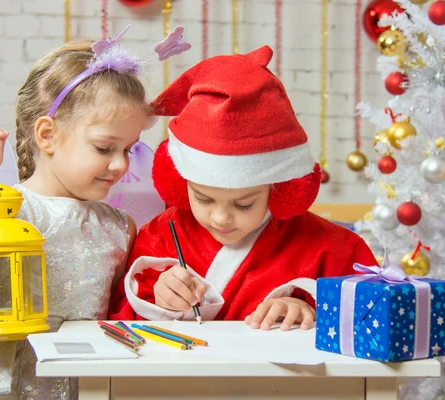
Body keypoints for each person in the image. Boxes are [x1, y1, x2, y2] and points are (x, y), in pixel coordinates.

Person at [0, 37, 152, 399]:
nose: (121, 164)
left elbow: (123, 315)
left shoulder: (118, 227)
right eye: (104, 147)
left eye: (129, 149)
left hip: (83, 383)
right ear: (47, 135)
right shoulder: (4, 212)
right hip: (1, 385)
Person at [109, 46, 378, 331]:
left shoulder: (333, 248)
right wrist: (156, 296)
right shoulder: (159, 237)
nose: (220, 218)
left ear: (280, 188)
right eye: (203, 198)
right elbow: (118, 326)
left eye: (243, 204)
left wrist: (311, 308)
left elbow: (371, 321)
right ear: (179, 180)